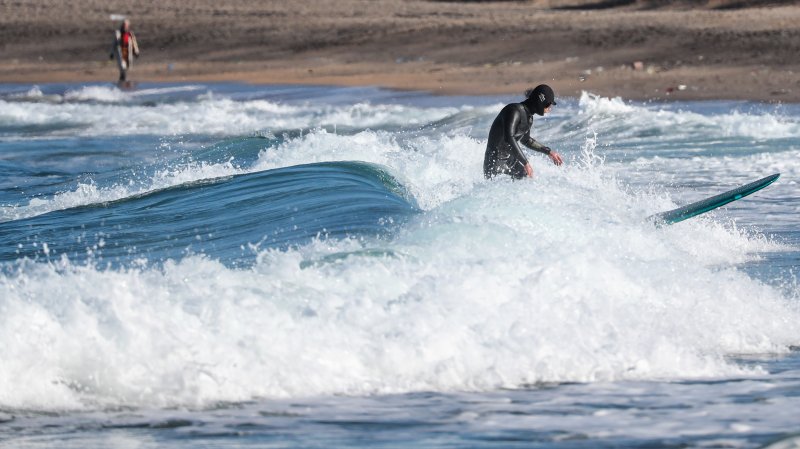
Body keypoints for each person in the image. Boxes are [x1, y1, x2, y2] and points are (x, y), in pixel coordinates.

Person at [484, 84, 563, 179]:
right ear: (540, 101)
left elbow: (526, 140)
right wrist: (525, 163)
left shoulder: (529, 118)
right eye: (548, 104)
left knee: (526, 178)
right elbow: (509, 137)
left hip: (509, 160)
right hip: (494, 163)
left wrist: (549, 152)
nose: (549, 108)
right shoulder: (514, 111)